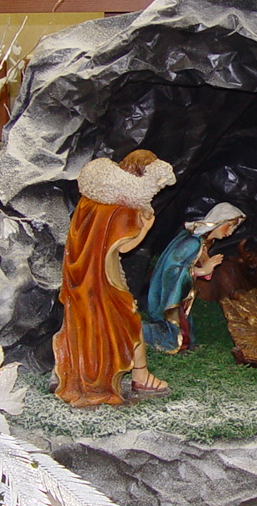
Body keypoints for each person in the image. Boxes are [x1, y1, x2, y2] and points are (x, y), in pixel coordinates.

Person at [52, 149, 175, 407]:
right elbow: (124, 246)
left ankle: (70, 371)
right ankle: (139, 376)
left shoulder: (91, 200)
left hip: (82, 276)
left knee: (83, 325)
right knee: (127, 321)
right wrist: (146, 227)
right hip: (104, 280)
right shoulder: (122, 206)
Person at [143, 202, 246, 353]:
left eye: (233, 228)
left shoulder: (203, 243)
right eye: (229, 226)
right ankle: (140, 331)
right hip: (171, 292)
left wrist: (206, 267)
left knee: (184, 326)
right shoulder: (192, 242)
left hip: (184, 294)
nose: (230, 232)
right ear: (219, 221)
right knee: (173, 332)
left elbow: (204, 273)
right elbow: (172, 270)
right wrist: (202, 270)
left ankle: (184, 344)